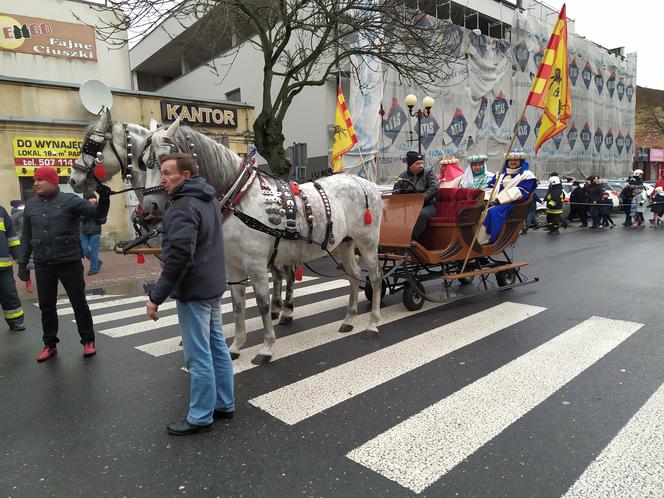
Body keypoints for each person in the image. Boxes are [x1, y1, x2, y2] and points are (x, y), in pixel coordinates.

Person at [145, 153, 234, 436]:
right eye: (161, 172)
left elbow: (180, 256)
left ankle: (200, 416)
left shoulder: (183, 206)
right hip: (212, 286)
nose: (163, 178)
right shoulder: (207, 198)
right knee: (217, 347)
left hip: (195, 290)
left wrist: (156, 296)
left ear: (185, 175)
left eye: (168, 172)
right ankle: (224, 403)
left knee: (198, 355)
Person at [16, 166, 110, 362]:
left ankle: (88, 341)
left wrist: (105, 199)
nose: (35, 183)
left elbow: (98, 215)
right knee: (46, 306)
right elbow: (26, 236)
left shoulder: (71, 201)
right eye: (34, 180)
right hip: (43, 264)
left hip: (69, 261)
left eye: (39, 180)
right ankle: (50, 345)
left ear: (52, 181)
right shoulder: (31, 205)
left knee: (79, 303)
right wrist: (22, 264)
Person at [478, 149, 537, 245]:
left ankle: (486, 239)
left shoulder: (527, 175)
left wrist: (499, 200)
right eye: (510, 160)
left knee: (491, 212)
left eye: (516, 160)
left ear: (521, 161)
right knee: (475, 210)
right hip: (492, 202)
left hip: (511, 204)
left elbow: (521, 191)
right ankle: (472, 238)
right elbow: (490, 187)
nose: (513, 162)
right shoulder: (499, 174)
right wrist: (486, 200)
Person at [393, 151, 439, 240]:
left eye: (422, 163)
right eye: (418, 163)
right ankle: (392, 238)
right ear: (410, 165)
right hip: (408, 206)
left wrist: (421, 199)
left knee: (422, 214)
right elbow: (395, 193)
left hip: (427, 205)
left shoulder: (429, 173)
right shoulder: (402, 177)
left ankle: (411, 239)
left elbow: (434, 188)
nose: (421, 165)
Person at [0, 205, 25, 331]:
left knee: (9, 294)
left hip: (3, 267)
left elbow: (11, 237)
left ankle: (15, 321)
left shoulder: (1, 211)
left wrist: (19, 258)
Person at [80, 192, 103, 276]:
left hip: (95, 231)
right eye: (90, 198)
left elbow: (102, 219)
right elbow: (79, 218)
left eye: (94, 198)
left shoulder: (99, 207)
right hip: (84, 231)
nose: (93, 200)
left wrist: (98, 217)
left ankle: (94, 268)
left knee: (94, 251)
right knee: (84, 249)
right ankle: (97, 261)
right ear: (86, 200)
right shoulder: (81, 208)